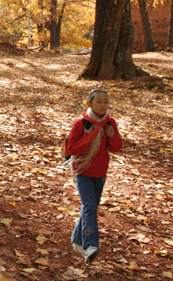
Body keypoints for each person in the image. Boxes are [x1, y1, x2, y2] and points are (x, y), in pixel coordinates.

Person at [66, 89, 122, 264]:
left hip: (100, 171)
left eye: (106, 102)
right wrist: (89, 137)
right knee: (89, 206)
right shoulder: (81, 124)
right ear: (89, 103)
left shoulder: (109, 122)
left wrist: (111, 135)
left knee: (89, 208)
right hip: (82, 171)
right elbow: (72, 149)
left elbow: (116, 147)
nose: (103, 105)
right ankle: (90, 246)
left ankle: (77, 240)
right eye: (98, 101)